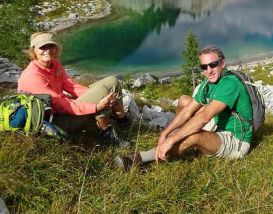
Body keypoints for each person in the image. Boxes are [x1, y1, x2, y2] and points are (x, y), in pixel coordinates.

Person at [115, 45, 253, 168]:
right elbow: (188, 110)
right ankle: (180, 141)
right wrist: (165, 133)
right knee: (185, 101)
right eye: (204, 67)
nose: (209, 70)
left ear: (222, 63)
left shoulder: (230, 84)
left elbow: (203, 118)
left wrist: (171, 140)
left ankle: (142, 158)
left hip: (236, 139)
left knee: (194, 135)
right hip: (219, 126)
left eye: (213, 64)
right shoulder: (209, 83)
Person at [18, 31, 130, 147]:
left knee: (112, 81)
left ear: (56, 48)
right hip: (55, 122)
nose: (48, 50)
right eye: (42, 47)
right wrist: (96, 105)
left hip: (63, 110)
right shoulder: (33, 76)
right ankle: (105, 135)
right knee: (102, 92)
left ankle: (122, 121)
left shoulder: (54, 64)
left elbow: (72, 86)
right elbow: (60, 104)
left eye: (51, 46)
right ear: (33, 51)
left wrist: (94, 96)